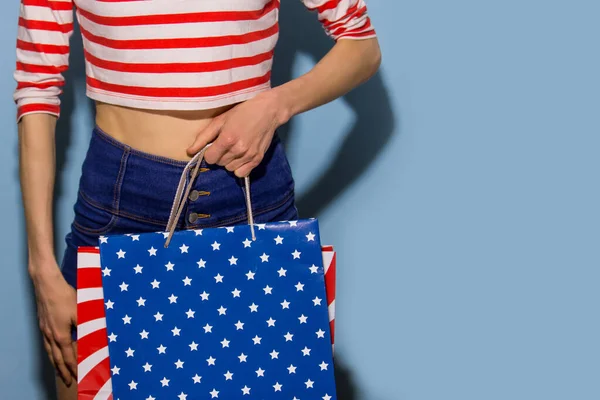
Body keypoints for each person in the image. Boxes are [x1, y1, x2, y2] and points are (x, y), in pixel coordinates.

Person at [14, 0, 381, 398]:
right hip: (119, 203)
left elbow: (362, 45)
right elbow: (37, 85)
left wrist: (275, 105)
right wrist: (42, 269)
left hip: (249, 197)